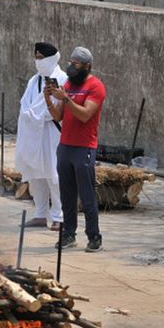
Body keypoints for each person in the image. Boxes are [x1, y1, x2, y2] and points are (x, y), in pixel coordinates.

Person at [45, 47, 106, 252]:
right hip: (65, 146)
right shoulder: (69, 84)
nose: (71, 67)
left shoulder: (95, 87)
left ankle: (94, 236)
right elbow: (58, 116)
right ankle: (68, 234)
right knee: (66, 194)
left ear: (87, 65)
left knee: (87, 195)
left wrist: (66, 99)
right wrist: (49, 99)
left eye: (76, 64)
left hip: (84, 148)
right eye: (70, 62)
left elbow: (85, 115)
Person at [15, 42, 67, 231]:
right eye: (36, 58)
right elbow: (26, 104)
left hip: (52, 133)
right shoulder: (34, 80)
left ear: (52, 58)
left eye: (42, 58)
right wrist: (31, 115)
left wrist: (34, 114)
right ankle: (40, 213)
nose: (38, 61)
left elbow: (53, 108)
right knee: (36, 175)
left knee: (54, 176)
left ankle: (59, 216)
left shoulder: (61, 78)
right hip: (33, 134)